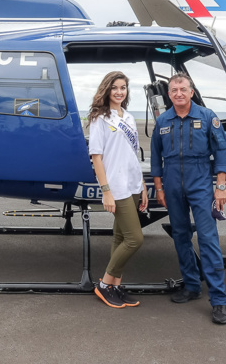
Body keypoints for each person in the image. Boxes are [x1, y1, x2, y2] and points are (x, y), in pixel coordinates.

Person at [149, 73, 226, 324]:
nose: (178, 93)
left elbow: (221, 152)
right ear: (169, 94)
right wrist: (160, 188)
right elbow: (155, 158)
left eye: (183, 89)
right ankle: (192, 285)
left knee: (208, 239)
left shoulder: (207, 117)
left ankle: (218, 300)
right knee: (181, 235)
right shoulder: (162, 121)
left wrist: (220, 186)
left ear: (191, 92)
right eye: (173, 90)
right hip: (172, 185)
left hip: (201, 184)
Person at [88, 71, 148, 308]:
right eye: (115, 87)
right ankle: (104, 284)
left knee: (121, 237)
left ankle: (115, 286)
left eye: (123, 87)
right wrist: (106, 191)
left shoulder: (129, 117)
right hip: (116, 187)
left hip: (133, 184)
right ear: (107, 90)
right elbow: (97, 157)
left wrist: (142, 186)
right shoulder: (99, 119)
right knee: (135, 239)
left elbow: (132, 156)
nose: (119, 92)